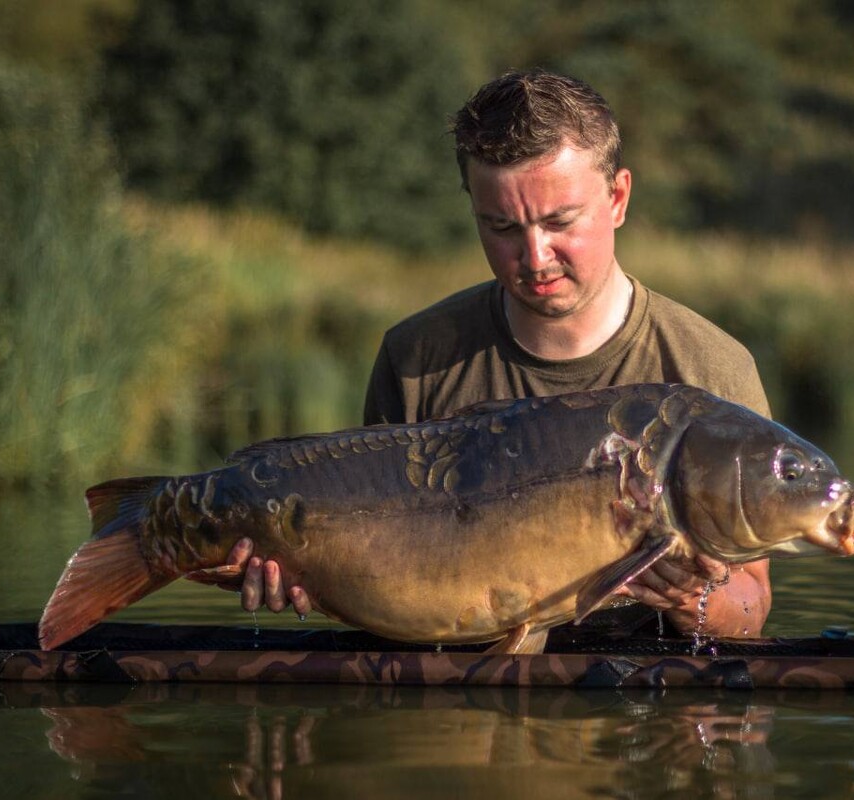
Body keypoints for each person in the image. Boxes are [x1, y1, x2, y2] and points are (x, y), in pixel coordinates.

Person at [226, 69, 773, 640]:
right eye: (501, 227)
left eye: (560, 221)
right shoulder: (417, 357)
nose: (535, 257)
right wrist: (306, 570)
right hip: (460, 697)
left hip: (634, 718)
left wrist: (695, 600)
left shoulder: (709, 371)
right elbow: (379, 569)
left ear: (618, 198)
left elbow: (751, 604)